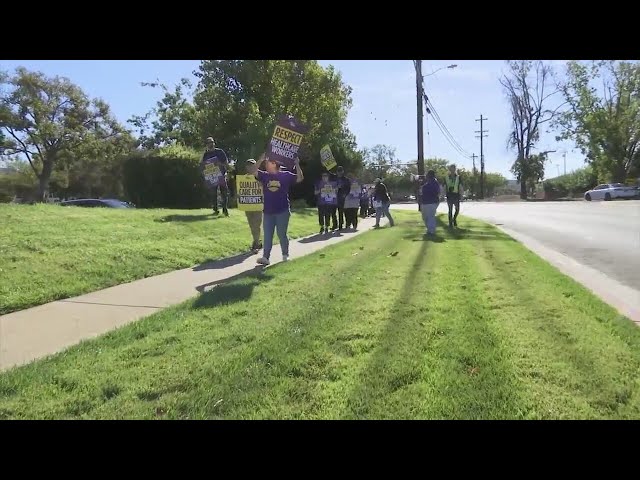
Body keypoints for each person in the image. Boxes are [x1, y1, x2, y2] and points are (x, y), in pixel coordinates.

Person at [254, 155, 304, 266]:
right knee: (267, 236)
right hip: (268, 212)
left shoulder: (285, 175)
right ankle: (265, 257)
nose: (265, 165)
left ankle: (285, 255)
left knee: (282, 234)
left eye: (267, 163)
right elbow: (254, 171)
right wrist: (261, 159)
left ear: (274, 164)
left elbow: (300, 178)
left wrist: (297, 164)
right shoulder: (264, 176)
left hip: (282, 211)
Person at [200, 137, 229, 216]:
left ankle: (225, 210)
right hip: (212, 176)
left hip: (222, 175)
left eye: (212, 142)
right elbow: (202, 165)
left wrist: (220, 164)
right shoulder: (206, 154)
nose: (211, 144)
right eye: (209, 142)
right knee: (213, 194)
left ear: (214, 143)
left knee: (224, 193)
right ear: (207, 144)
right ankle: (216, 210)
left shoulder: (220, 152)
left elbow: (226, 163)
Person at [244, 158, 263, 253]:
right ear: (246, 167)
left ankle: (256, 243)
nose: (251, 167)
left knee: (257, 224)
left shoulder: (261, 176)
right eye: (249, 165)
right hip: (248, 205)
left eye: (252, 165)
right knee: (252, 225)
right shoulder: (244, 178)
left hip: (258, 204)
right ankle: (257, 241)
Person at [421, 170, 441, 236]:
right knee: (424, 217)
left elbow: (436, 192)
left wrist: (423, 187)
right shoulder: (427, 182)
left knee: (430, 216)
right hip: (425, 202)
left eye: (427, 175)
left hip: (432, 202)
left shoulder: (435, 182)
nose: (426, 176)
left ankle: (431, 231)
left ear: (430, 175)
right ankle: (429, 230)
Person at [444, 164, 464, 228]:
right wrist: (442, 195)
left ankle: (454, 219)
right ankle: (450, 223)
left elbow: (460, 186)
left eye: (453, 168)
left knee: (457, 209)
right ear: (449, 169)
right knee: (450, 210)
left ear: (455, 169)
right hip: (449, 195)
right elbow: (444, 186)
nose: (452, 170)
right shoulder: (447, 177)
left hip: (456, 195)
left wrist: (462, 195)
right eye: (451, 168)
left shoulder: (458, 177)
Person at [335, 166, 351, 231]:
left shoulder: (346, 179)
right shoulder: (335, 179)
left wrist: (345, 194)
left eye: (340, 171)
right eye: (338, 171)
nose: (339, 173)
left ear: (343, 171)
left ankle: (348, 224)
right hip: (337, 197)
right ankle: (340, 225)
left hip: (345, 197)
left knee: (346, 212)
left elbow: (349, 188)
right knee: (340, 212)